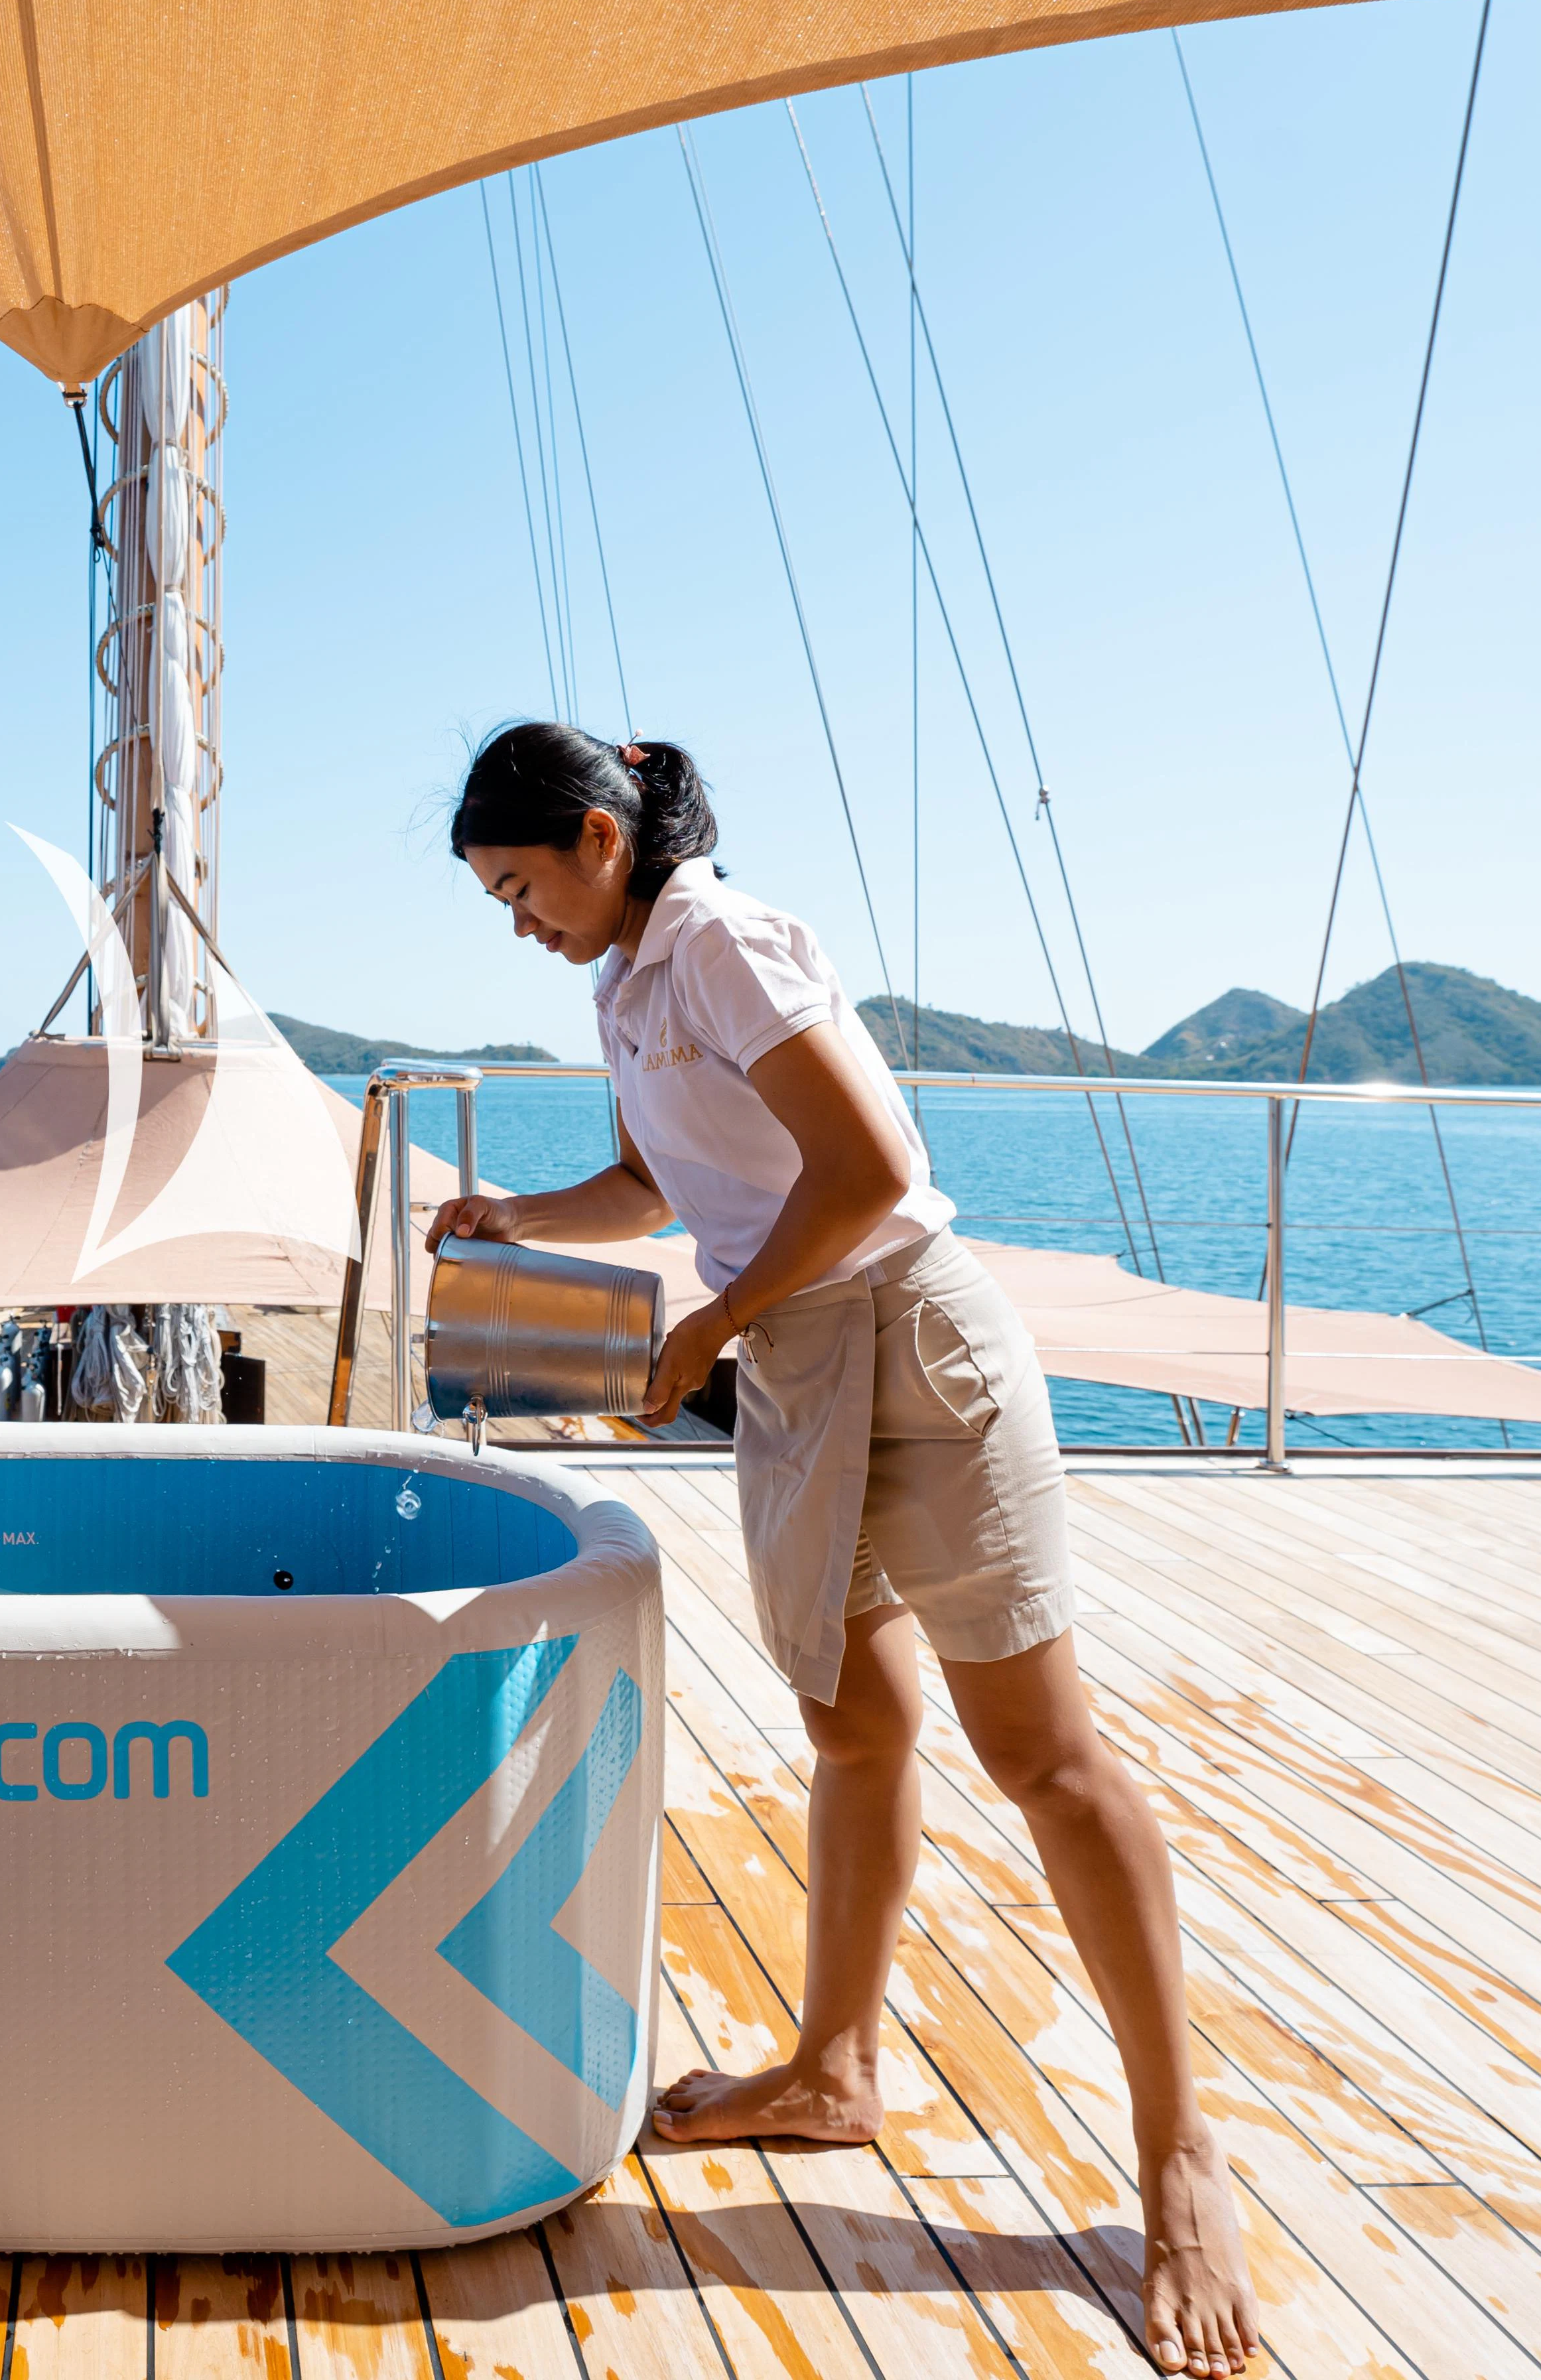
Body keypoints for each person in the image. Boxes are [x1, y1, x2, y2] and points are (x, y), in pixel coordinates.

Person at [431, 722, 1258, 2379]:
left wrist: (711, 1323)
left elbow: (874, 1168)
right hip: (806, 1361)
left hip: (912, 1345)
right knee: (855, 1722)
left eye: (521, 886)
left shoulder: (720, 938)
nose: (517, 922)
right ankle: (834, 2066)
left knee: (1043, 1755)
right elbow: (662, 1179)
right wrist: (521, 1216)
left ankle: (1183, 2158)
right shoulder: (628, 979)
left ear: (600, 838)